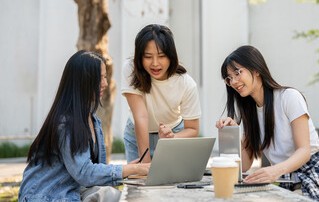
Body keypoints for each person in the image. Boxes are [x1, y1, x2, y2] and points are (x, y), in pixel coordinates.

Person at [216, 45, 319, 201]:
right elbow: (244, 166)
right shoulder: (250, 114)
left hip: (317, 173)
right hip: (288, 180)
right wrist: (233, 133)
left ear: (256, 70)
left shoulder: (289, 97)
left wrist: (274, 171)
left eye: (237, 73)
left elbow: (304, 151)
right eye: (229, 78)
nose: (234, 81)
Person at [19, 50, 150, 202]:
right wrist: (130, 169)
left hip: (71, 193)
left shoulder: (93, 121)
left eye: (105, 77)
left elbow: (95, 178)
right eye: (99, 78)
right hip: (45, 197)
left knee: (118, 196)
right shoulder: (66, 122)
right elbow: (84, 172)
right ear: (82, 81)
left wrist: (130, 171)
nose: (105, 84)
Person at [121, 24, 201, 163]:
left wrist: (171, 138)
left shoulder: (186, 83)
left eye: (162, 56)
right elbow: (141, 117)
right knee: (139, 182)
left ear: (171, 56)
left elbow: (193, 129)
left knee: (174, 182)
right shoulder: (131, 69)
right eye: (148, 56)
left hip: (172, 133)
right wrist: (144, 162)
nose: (155, 63)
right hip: (137, 135)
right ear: (139, 57)